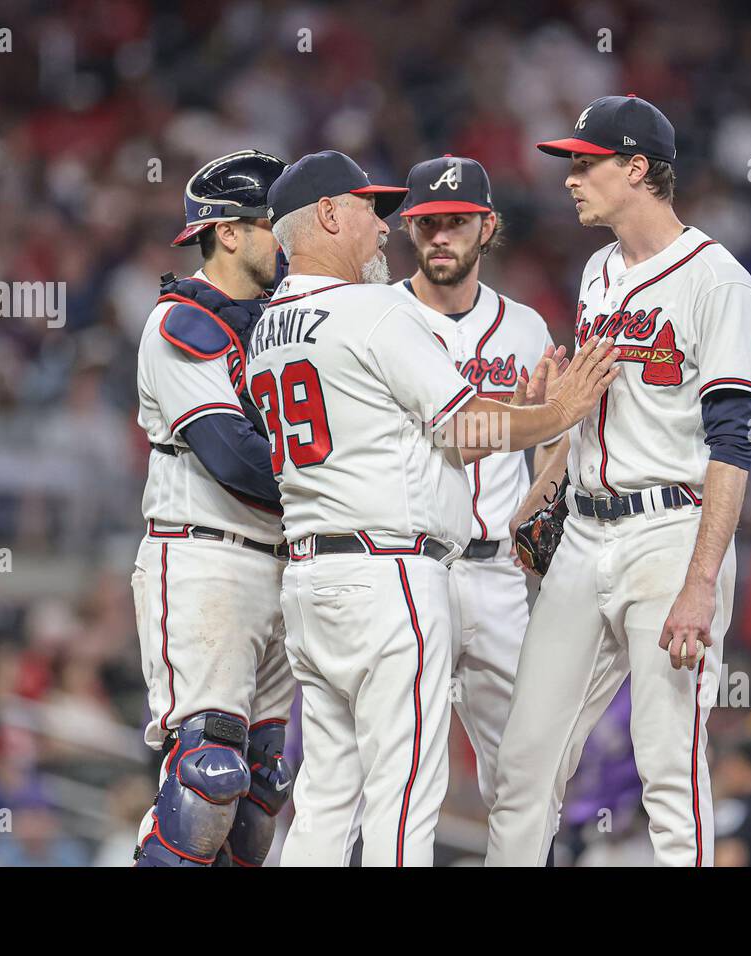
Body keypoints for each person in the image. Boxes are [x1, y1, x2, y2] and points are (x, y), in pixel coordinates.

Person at [245, 149, 617, 866]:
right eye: (366, 211)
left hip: (312, 576)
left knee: (324, 798)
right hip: (390, 574)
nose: (380, 228)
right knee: (405, 794)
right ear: (327, 215)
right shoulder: (375, 308)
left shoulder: (268, 326)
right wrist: (558, 412)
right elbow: (464, 429)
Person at [486, 95, 751, 867]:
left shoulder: (718, 280)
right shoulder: (597, 273)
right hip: (584, 532)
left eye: (586, 162)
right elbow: (585, 413)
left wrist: (702, 580)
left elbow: (734, 441)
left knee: (668, 769)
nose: (571, 178)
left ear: (637, 168)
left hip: (672, 532)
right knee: (523, 764)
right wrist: (538, 498)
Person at [131, 149, 296, 867]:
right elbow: (232, 457)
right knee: (209, 773)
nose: (284, 240)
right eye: (270, 224)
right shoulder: (180, 320)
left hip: (282, 560)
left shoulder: (292, 317)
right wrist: (338, 487)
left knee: (261, 783)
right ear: (227, 232)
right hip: (207, 553)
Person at [393, 154, 561, 814]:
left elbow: (554, 445)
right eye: (428, 223)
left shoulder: (524, 328)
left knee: (526, 779)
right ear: (409, 228)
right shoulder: (379, 319)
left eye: (456, 222)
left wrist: (540, 521)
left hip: (497, 576)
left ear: (487, 227)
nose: (441, 237)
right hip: (408, 568)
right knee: (395, 771)